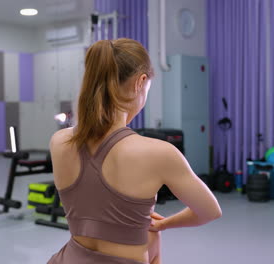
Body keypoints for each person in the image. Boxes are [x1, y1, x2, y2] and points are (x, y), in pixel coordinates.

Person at [48, 38, 222, 264]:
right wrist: (163, 223)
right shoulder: (159, 153)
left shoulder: (59, 141)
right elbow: (209, 211)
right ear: (140, 83)